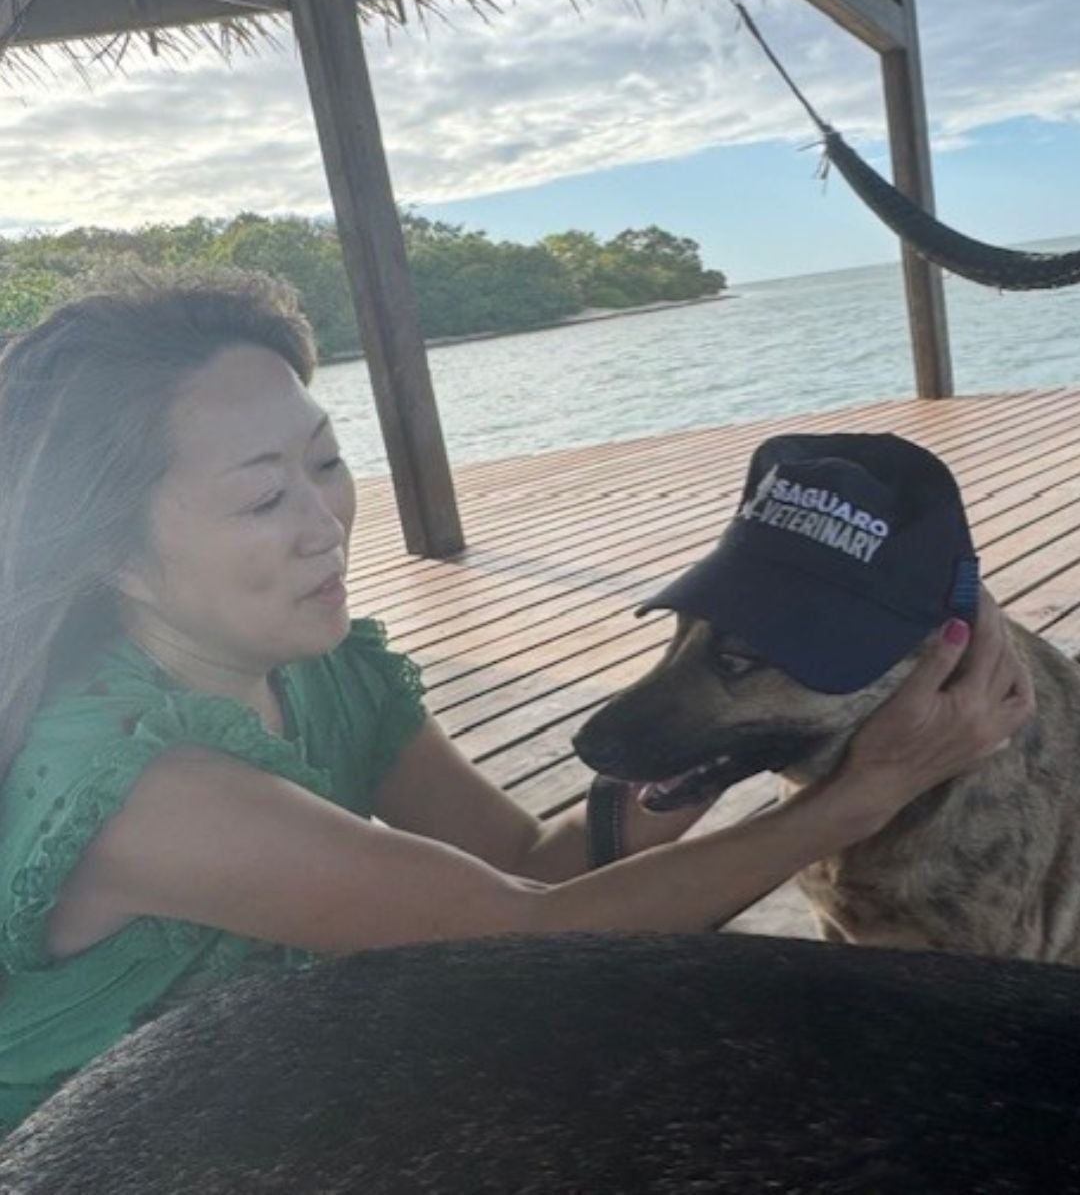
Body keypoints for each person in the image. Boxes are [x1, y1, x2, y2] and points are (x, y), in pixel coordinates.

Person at [0, 276, 1034, 1134]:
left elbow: (534, 861)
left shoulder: (324, 670)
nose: (328, 523)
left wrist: (719, 732)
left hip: (263, 1084)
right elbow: (531, 932)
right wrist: (861, 796)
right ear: (109, 553)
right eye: (265, 497)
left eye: (325, 462)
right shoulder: (146, 790)